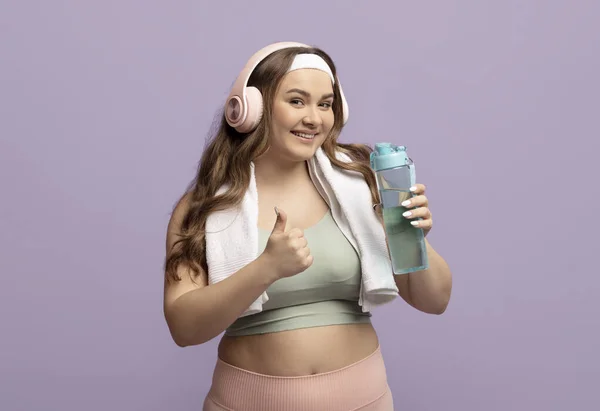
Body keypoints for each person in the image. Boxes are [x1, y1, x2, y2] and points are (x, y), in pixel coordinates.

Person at [162, 41, 452, 411]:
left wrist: (412, 238)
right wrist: (265, 269)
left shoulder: (363, 183)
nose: (315, 118)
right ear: (253, 108)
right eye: (296, 101)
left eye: (325, 104)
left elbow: (435, 300)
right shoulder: (204, 207)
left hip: (365, 400)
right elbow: (184, 329)